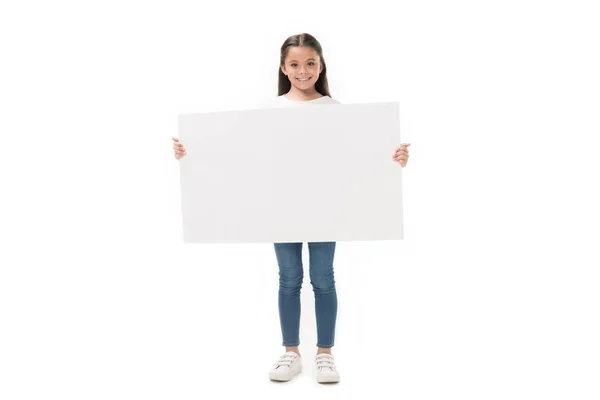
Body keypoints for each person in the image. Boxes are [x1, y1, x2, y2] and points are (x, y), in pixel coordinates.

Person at [171, 33, 410, 384]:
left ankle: (325, 354)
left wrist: (393, 160)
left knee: (323, 278)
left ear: (321, 65)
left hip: (326, 208)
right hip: (281, 207)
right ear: (283, 68)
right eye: (295, 64)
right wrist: (192, 152)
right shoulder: (270, 110)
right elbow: (238, 154)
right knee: (289, 278)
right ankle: (291, 353)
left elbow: (357, 156)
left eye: (310, 63)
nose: (303, 71)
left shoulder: (335, 110)